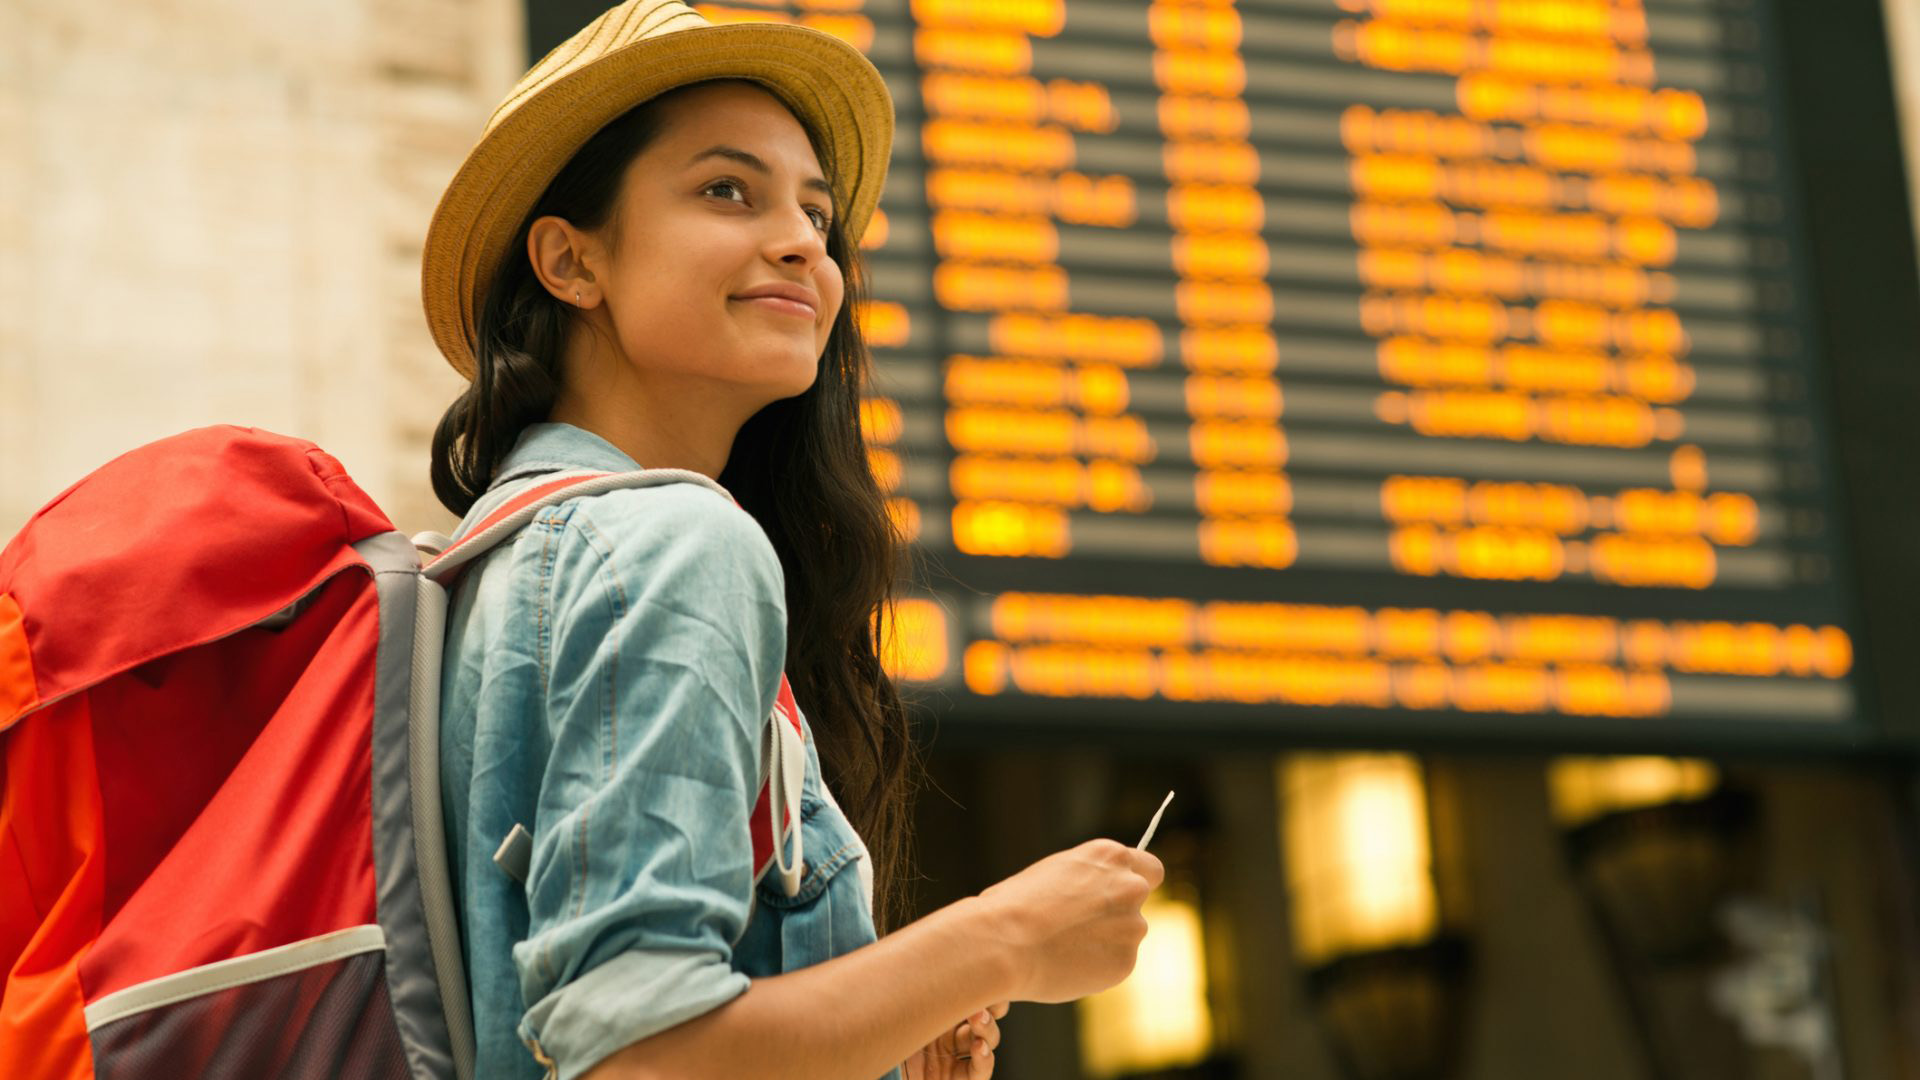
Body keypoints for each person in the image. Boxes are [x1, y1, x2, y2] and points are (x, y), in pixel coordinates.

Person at [420, 4, 1165, 1079]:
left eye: (817, 216)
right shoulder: (674, 545)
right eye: (728, 190)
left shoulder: (494, 561)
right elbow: (639, 1052)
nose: (801, 242)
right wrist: (1002, 938)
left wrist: (889, 1023)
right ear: (570, 262)